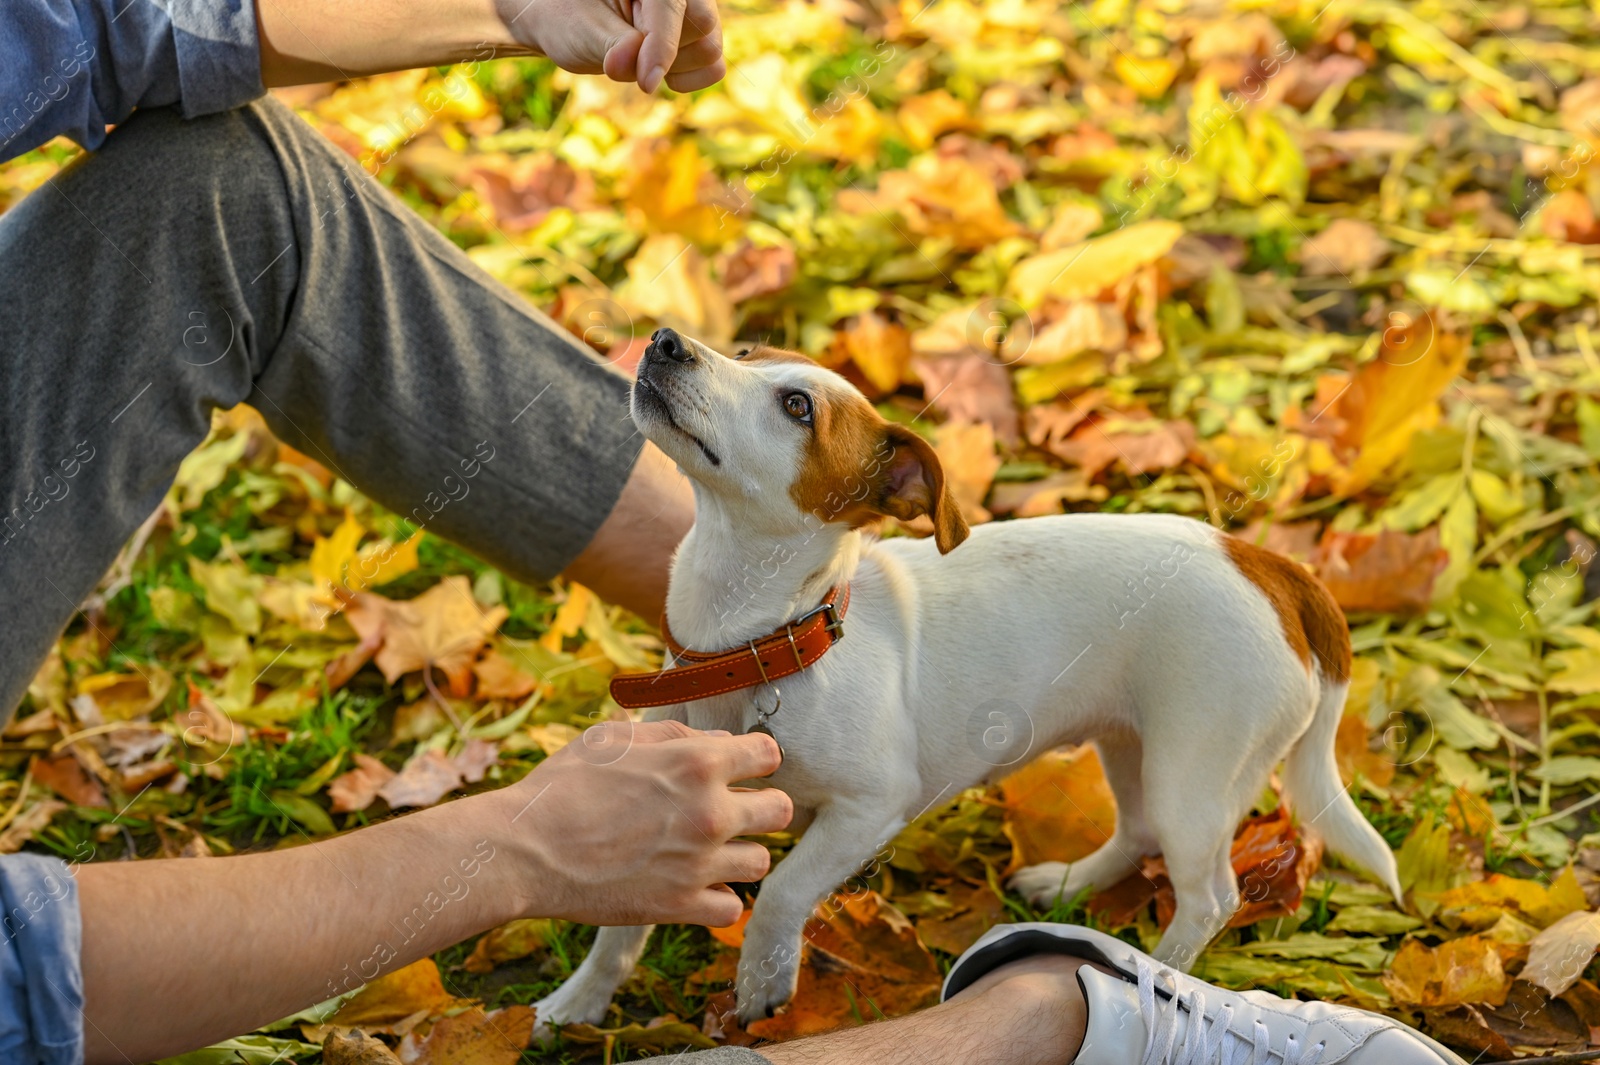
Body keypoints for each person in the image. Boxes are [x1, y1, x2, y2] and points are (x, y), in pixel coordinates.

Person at [0, 3, 1467, 1063]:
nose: (687, 355)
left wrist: (505, 6)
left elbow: (93, 26)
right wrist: (516, 843)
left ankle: (1111, 902)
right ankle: (1070, 1019)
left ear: (876, 502)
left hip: (980, 610)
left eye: (785, 414)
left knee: (230, 185)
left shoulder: (896, 542)